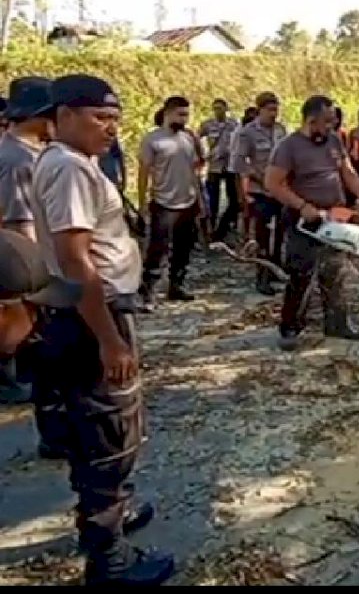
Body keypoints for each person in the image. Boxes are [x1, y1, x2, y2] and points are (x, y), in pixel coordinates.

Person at [30, 74, 174, 585]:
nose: (111, 128)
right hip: (95, 315)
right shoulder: (69, 168)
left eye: (115, 119)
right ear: (63, 115)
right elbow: (77, 261)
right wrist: (111, 338)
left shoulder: (67, 160)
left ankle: (112, 514)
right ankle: (108, 558)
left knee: (94, 427)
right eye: (99, 118)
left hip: (86, 311)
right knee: (111, 434)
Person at [265, 95, 359, 351]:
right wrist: (303, 206)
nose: (330, 127)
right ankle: (290, 327)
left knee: (336, 271)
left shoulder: (334, 141)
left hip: (334, 215)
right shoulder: (288, 147)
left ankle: (337, 324)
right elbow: (273, 183)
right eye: (326, 122)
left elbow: (348, 172)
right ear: (311, 120)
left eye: (333, 122)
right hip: (303, 219)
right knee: (301, 273)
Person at [0, 76, 55, 412]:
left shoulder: (30, 153)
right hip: (22, 257)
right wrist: (40, 271)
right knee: (18, 324)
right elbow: (19, 221)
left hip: (27, 255)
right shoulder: (17, 159)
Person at [138, 96, 201, 309]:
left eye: (187, 114)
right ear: (167, 113)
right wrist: (142, 202)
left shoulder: (188, 138)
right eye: (180, 114)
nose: (185, 119)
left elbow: (194, 171)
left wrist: (200, 200)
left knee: (184, 247)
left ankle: (176, 285)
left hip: (188, 201)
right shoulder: (153, 140)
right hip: (164, 202)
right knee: (158, 249)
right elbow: (144, 172)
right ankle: (149, 292)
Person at [238, 93, 287, 295]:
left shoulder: (281, 130)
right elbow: (241, 163)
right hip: (260, 192)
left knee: (281, 234)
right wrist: (260, 179)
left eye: (276, 110)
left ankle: (276, 270)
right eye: (270, 110)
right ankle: (262, 277)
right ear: (259, 110)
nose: (274, 114)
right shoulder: (247, 133)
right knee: (263, 237)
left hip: (281, 192)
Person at [199, 99, 239, 242]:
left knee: (234, 199)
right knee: (212, 201)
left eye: (220, 108)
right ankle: (211, 229)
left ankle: (226, 226)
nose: (218, 111)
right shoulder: (208, 125)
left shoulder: (234, 125)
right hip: (214, 167)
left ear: (226, 108)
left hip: (230, 166)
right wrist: (203, 155)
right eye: (215, 108)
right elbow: (197, 139)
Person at [228, 105, 258, 242]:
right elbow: (237, 161)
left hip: (249, 174)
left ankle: (249, 238)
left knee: (251, 210)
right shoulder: (241, 134)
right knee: (245, 208)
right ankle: (245, 238)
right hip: (243, 174)